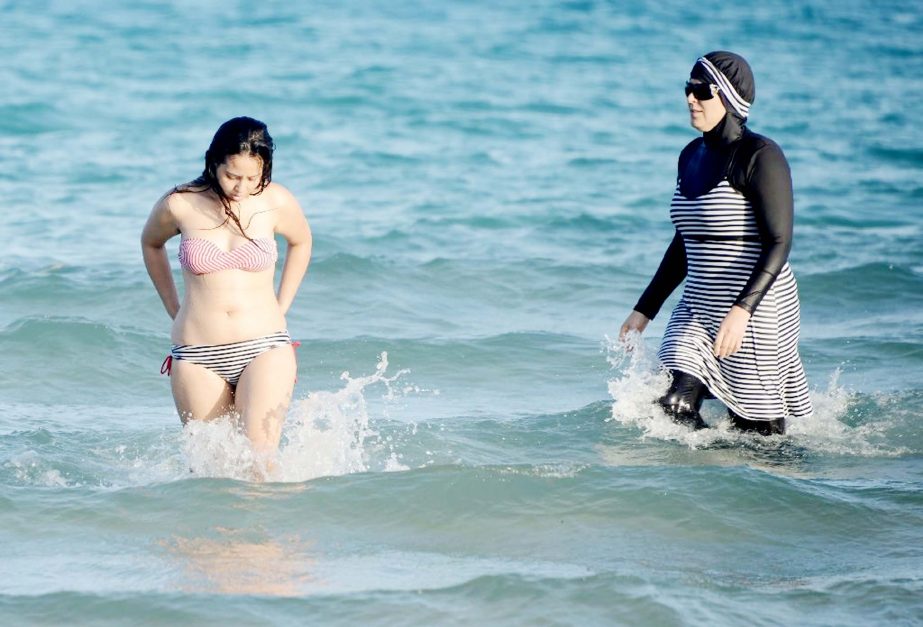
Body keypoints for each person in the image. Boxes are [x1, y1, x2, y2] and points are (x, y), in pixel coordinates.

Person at [619, 51, 813, 435]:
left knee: (759, 435)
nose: (691, 98)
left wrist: (743, 310)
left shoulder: (762, 156)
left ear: (728, 96)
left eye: (702, 90)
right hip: (699, 302)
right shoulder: (690, 155)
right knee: (672, 403)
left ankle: (780, 483)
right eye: (687, 89)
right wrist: (645, 310)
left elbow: (779, 241)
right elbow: (684, 243)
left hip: (757, 305)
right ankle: (702, 480)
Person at [142, 117, 312, 463]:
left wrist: (283, 305)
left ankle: (265, 520)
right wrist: (172, 307)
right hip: (197, 355)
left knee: (260, 462)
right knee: (210, 470)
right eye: (232, 175)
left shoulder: (275, 200)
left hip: (264, 346)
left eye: (252, 177)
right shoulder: (180, 203)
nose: (241, 187)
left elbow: (302, 241)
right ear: (213, 161)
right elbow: (150, 244)